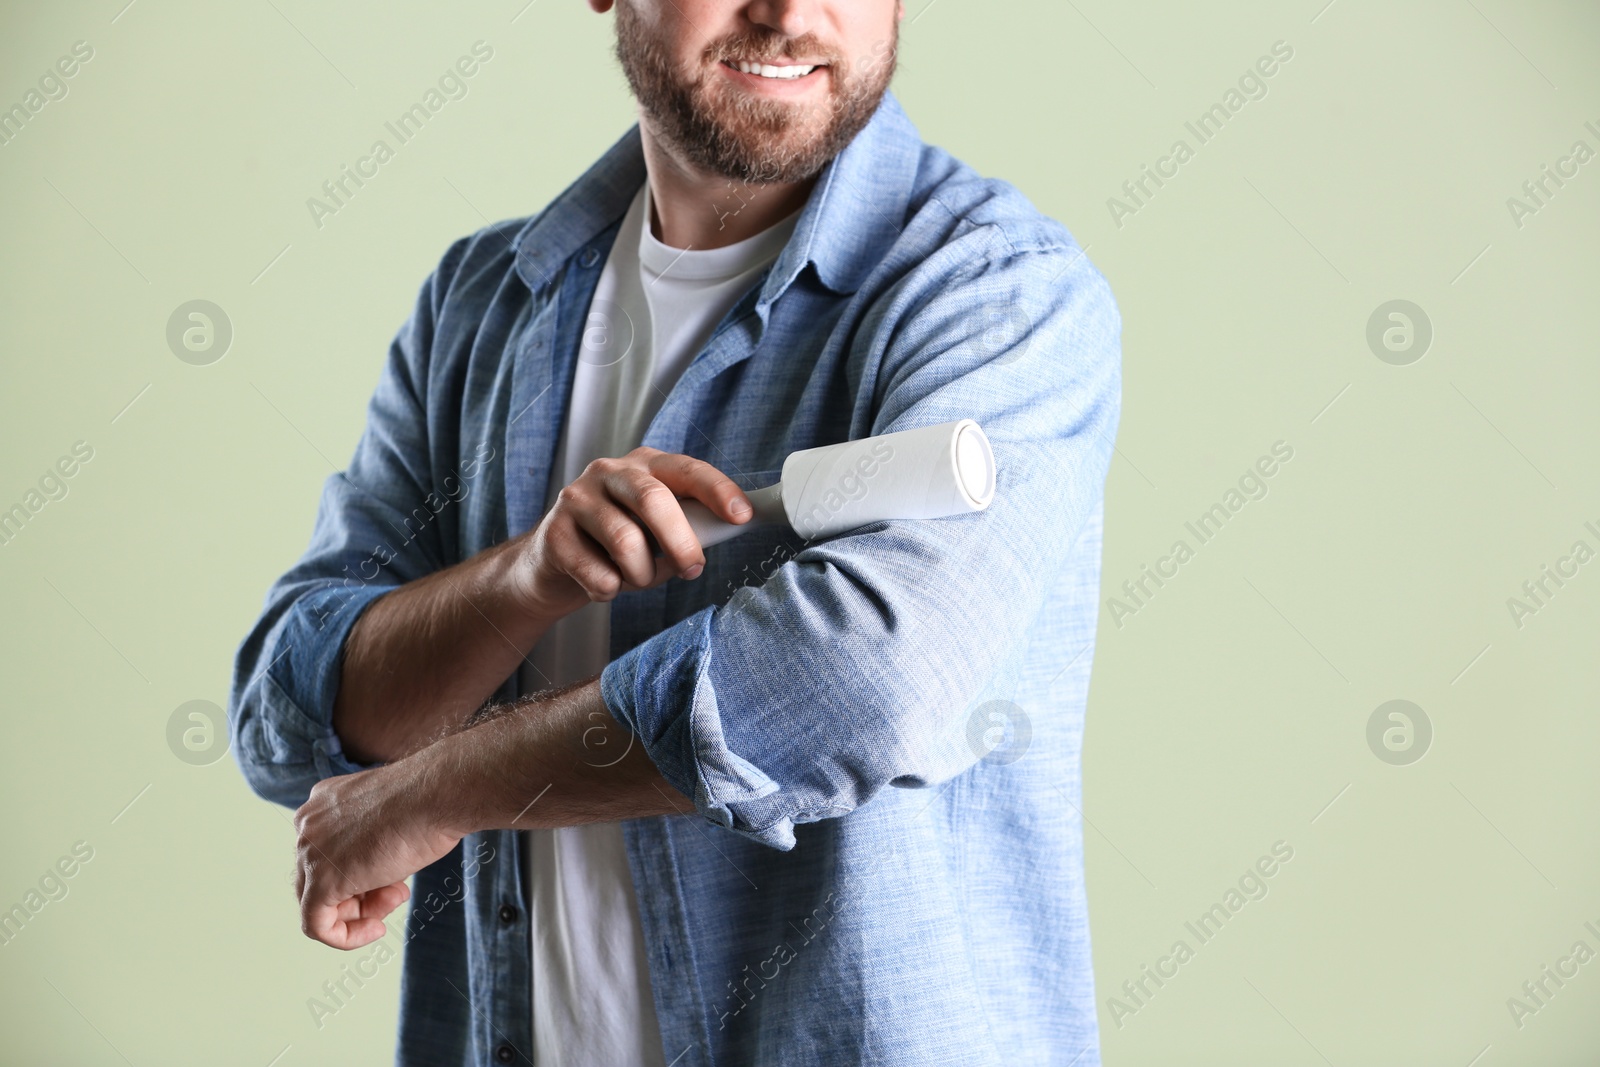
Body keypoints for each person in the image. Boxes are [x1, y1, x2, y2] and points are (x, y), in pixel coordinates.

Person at [227, 0, 1122, 1063]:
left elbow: (856, 688)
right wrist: (522, 581)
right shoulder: (479, 308)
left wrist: (434, 788)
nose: (786, 15)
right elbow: (294, 714)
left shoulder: (993, 293)